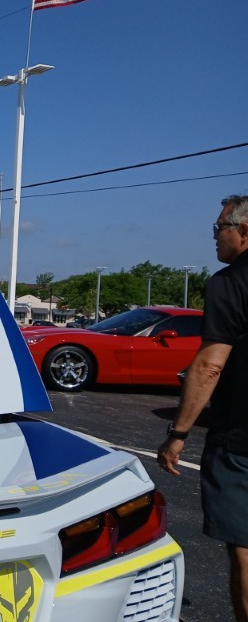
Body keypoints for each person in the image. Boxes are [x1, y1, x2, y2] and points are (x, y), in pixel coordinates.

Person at [158, 194, 248, 621]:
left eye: (219, 229)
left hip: (241, 443)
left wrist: (177, 435)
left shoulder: (231, 282)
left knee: (245, 548)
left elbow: (210, 366)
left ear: (243, 231)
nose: (214, 237)